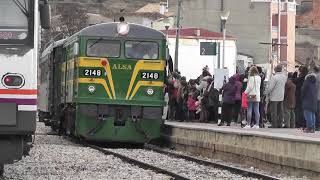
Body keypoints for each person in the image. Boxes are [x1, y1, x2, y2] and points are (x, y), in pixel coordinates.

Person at [314, 65, 320, 131]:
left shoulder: (316, 76)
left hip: (317, 97)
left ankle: (317, 126)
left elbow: (314, 87)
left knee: (317, 112)